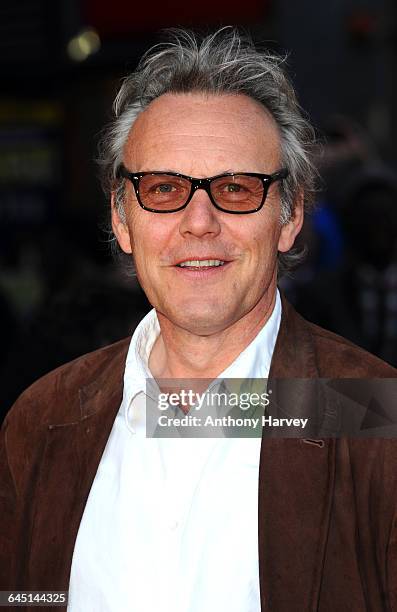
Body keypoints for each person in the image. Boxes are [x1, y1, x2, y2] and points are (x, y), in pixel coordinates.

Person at [1, 28, 396, 612]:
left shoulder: (373, 420)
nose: (199, 221)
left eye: (236, 188)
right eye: (163, 188)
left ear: (290, 219)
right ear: (122, 219)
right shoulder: (43, 418)